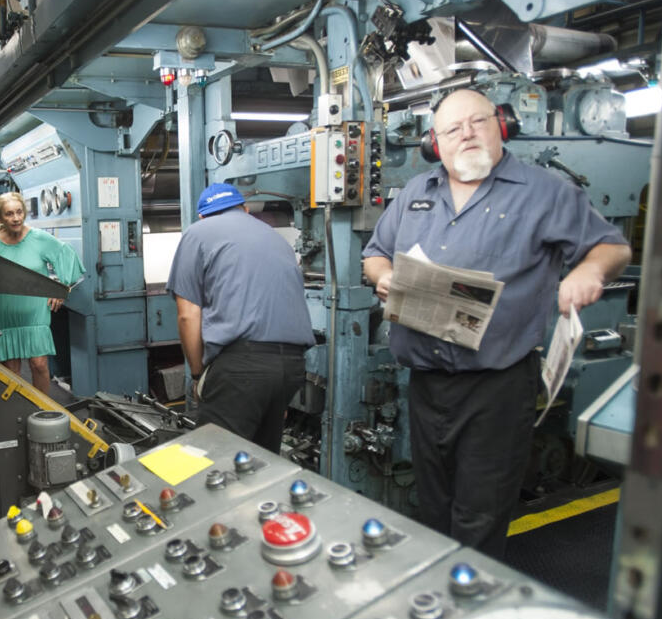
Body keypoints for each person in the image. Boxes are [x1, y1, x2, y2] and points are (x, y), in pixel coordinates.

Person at [362, 88, 631, 558]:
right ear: (434, 143)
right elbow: (374, 254)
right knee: (433, 507)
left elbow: (613, 247)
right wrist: (384, 277)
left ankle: (468, 611)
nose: (466, 134)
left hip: (497, 387)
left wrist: (590, 270)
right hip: (426, 383)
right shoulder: (414, 196)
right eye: (452, 128)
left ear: (501, 124)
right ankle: (438, 601)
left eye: (477, 122)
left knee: (480, 515)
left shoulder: (545, 191)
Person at [167, 183, 314, 452]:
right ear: (245, 209)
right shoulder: (275, 238)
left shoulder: (197, 233)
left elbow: (188, 315)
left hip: (241, 368)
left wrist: (199, 375)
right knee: (259, 463)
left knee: (213, 462)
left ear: (202, 216)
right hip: (291, 367)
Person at [0, 192, 85, 396]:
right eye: (10, 214)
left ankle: (42, 412)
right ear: (0, 218)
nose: (16, 218)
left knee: (39, 364)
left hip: (35, 313)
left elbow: (67, 254)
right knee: (12, 370)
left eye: (19, 212)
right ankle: (17, 414)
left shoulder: (38, 238)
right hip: (7, 314)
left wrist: (61, 287)